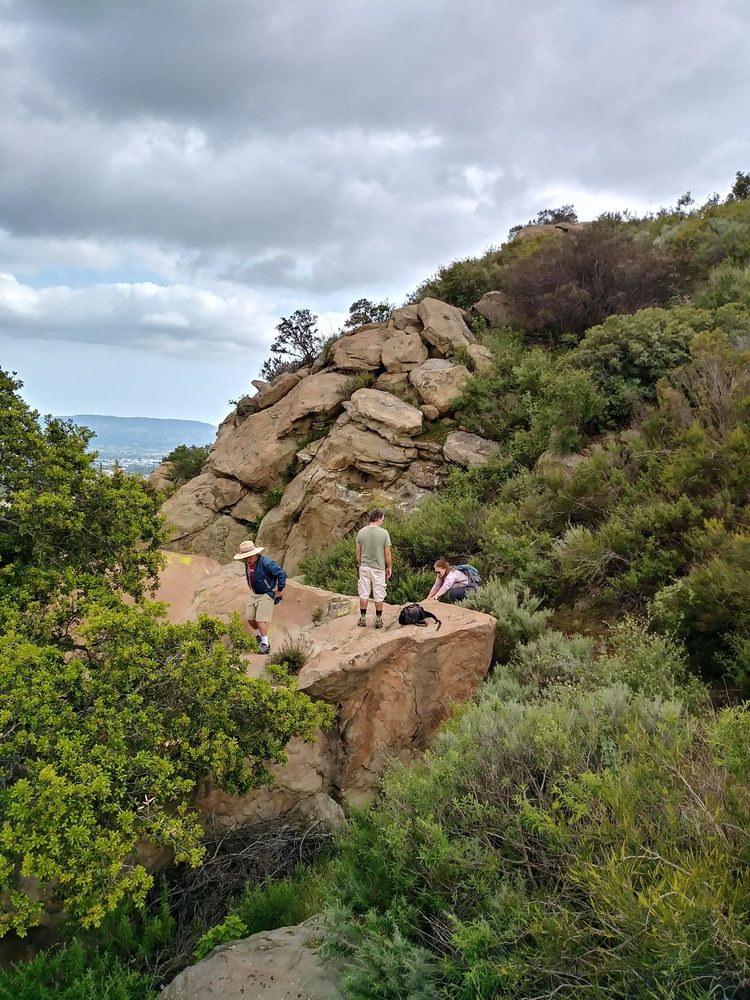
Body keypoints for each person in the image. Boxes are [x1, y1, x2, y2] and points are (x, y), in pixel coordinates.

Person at [233, 539, 287, 654]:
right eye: (245, 558)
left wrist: (279, 590)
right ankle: (259, 635)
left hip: (267, 593)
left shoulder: (266, 563)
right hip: (255, 593)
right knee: (250, 618)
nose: (247, 560)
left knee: (260, 619)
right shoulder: (248, 563)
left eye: (249, 557)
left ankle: (265, 644)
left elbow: (281, 574)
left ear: (255, 554)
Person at [356, 509, 392, 629]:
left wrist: (360, 564)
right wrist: (389, 567)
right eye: (382, 518)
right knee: (379, 594)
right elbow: (387, 554)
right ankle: (378, 620)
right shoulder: (384, 533)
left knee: (364, 593)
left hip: (365, 567)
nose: (383, 521)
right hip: (378, 568)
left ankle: (362, 618)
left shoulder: (361, 532)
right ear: (378, 518)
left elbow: (358, 552)